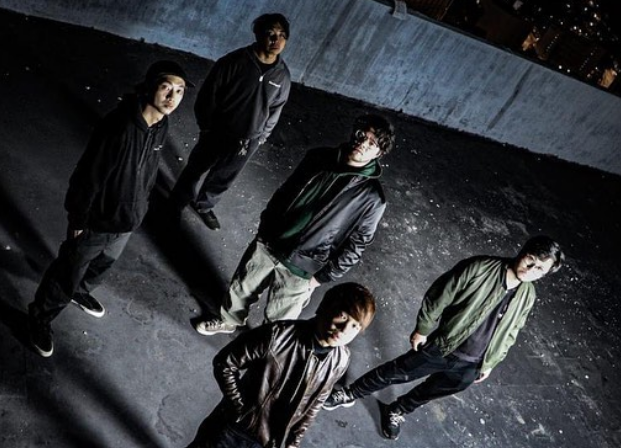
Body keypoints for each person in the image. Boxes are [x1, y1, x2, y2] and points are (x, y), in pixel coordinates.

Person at [135, 283, 376, 448]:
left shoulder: (340, 359)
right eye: (342, 316)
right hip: (233, 425)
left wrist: (294, 441)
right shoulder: (278, 335)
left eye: (355, 326)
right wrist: (240, 408)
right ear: (325, 307)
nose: (344, 330)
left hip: (267, 438)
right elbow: (225, 363)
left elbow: (315, 402)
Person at [323, 236, 564, 441]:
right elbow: (440, 295)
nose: (531, 270)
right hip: (443, 346)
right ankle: (351, 393)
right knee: (396, 372)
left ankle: (397, 410)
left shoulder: (528, 295)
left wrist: (490, 363)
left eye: (540, 269)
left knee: (430, 391)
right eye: (530, 260)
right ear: (523, 252)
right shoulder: (480, 267)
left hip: (472, 364)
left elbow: (512, 331)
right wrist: (423, 329)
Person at [27, 60, 193, 357]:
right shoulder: (119, 127)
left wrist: (141, 206)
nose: (172, 97)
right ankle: (38, 318)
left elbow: (149, 170)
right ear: (149, 87)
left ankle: (80, 292)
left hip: (128, 219)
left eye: (179, 91)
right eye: (166, 88)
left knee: (102, 265)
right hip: (98, 220)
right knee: (68, 272)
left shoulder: (161, 125)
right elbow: (88, 175)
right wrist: (78, 219)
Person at [194, 114, 394, 336]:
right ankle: (228, 321)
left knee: (280, 318)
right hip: (271, 241)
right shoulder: (318, 156)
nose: (363, 143)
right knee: (241, 288)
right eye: (361, 135)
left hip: (304, 264)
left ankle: (266, 346)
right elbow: (286, 191)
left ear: (379, 153)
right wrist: (266, 224)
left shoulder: (372, 198)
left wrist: (322, 277)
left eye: (372, 143)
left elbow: (357, 246)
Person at [169, 13, 292, 230]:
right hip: (218, 131)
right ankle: (175, 204)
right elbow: (208, 95)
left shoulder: (282, 76)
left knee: (224, 176)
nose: (276, 40)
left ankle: (204, 206)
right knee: (196, 168)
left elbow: (276, 109)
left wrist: (261, 136)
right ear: (257, 34)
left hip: (247, 140)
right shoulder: (234, 62)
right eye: (270, 34)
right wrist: (207, 126)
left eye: (282, 35)